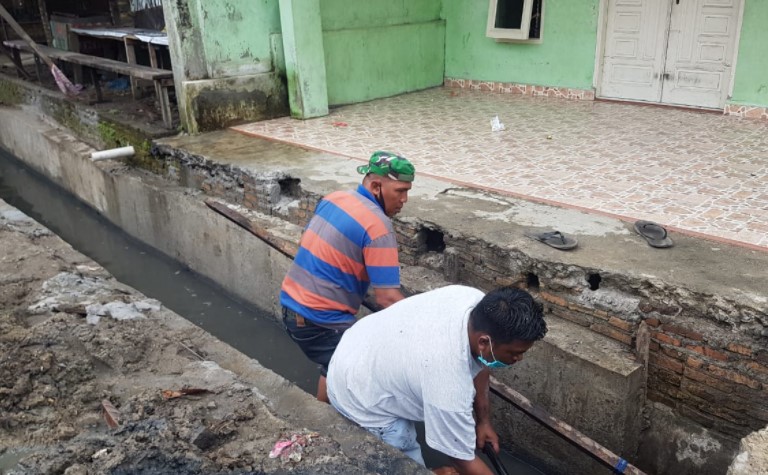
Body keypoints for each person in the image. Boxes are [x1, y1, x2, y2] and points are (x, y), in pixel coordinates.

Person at [327, 285, 547, 475]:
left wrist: (483, 420)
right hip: (359, 391)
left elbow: (480, 362)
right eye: (514, 353)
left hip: (364, 347)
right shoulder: (449, 386)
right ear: (484, 342)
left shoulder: (475, 303)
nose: (519, 359)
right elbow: (460, 458)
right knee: (403, 464)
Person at [280, 150, 416, 402]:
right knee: (372, 368)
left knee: (336, 360)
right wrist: (427, 323)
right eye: (400, 191)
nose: (405, 199)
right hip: (319, 321)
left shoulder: (335, 197)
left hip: (291, 307)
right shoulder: (378, 227)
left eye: (407, 191)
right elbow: (387, 299)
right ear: (376, 186)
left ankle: (321, 413)